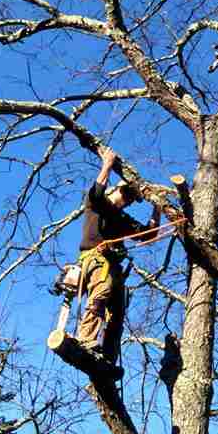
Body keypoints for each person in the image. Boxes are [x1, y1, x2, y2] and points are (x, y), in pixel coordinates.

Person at [76, 147, 160, 364]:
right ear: (114, 190)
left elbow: (148, 235)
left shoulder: (122, 220)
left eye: (131, 199)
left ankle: (108, 357)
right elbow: (96, 192)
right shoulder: (98, 204)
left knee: (117, 314)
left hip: (115, 268)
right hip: (96, 259)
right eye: (125, 194)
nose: (127, 200)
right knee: (100, 293)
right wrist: (107, 165)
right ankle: (85, 340)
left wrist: (157, 208)